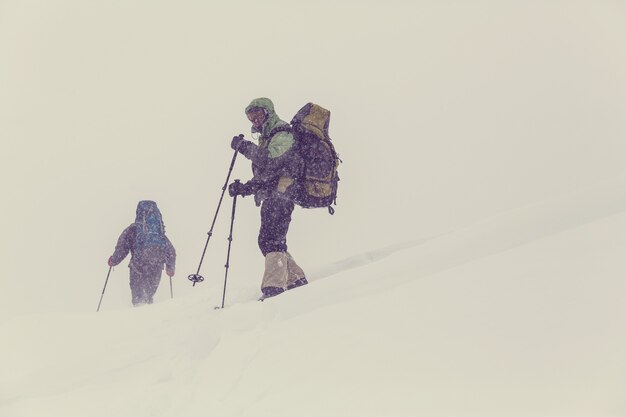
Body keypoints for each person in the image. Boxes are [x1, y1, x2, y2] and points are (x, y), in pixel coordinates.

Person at [229, 97, 308, 300]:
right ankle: (296, 279)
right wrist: (244, 188)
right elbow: (266, 177)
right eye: (250, 115)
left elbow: (270, 161)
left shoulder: (282, 133)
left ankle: (273, 288)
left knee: (271, 239)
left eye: (258, 113)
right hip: (275, 194)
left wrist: (245, 147)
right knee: (268, 240)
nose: (254, 119)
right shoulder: (268, 138)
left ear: (268, 112)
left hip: (283, 194)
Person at [108, 200, 176, 306]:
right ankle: (149, 315)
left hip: (138, 266)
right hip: (156, 266)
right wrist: (170, 267)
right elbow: (171, 251)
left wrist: (114, 260)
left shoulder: (132, 230)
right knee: (148, 296)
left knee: (138, 298)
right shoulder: (159, 233)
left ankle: (139, 316)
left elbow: (122, 248)